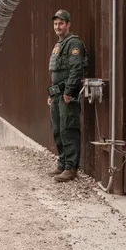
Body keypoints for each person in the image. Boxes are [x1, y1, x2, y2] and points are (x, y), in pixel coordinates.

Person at [47, 9, 86, 182]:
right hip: (56, 94)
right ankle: (62, 163)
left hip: (66, 94)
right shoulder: (58, 45)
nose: (58, 27)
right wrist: (52, 93)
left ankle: (71, 168)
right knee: (57, 129)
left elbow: (76, 69)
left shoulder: (73, 43)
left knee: (68, 129)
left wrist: (69, 91)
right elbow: (56, 70)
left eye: (61, 23)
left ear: (68, 24)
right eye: (55, 24)